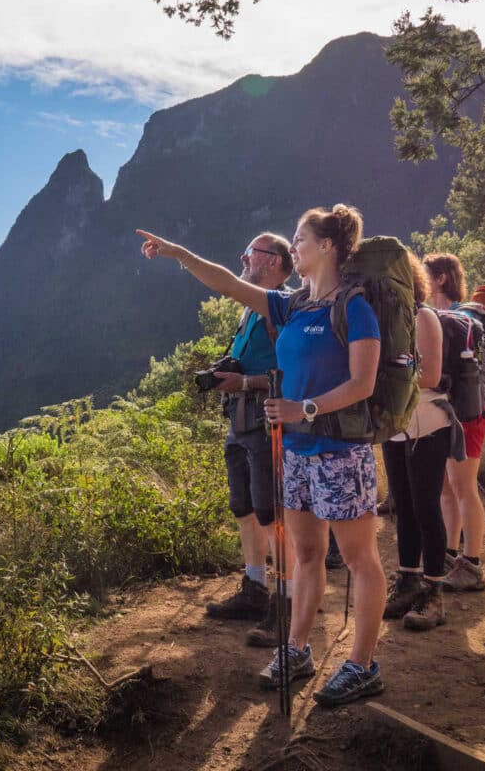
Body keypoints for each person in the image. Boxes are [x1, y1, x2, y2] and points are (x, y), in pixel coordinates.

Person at [137, 203, 387, 707]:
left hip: (340, 452)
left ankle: (362, 664)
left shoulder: (355, 306)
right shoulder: (291, 306)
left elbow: (364, 383)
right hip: (294, 451)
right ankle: (297, 649)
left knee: (360, 560)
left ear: (328, 246)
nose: (293, 247)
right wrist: (176, 252)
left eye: (300, 238)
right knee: (308, 554)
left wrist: (305, 407)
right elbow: (229, 283)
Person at [202, 233, 296, 650]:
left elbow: (292, 373)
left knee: (271, 512)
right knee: (243, 507)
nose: (244, 257)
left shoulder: (285, 308)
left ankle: (286, 602)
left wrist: (244, 381)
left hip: (268, 421)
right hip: (239, 419)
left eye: (251, 253)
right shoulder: (250, 309)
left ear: (275, 261)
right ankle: (254, 586)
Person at [381, 251, 462, 631]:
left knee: (427, 506)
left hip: (428, 423)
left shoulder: (423, 316)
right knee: (403, 505)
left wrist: (390, 367)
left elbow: (429, 376)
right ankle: (408, 579)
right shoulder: (387, 321)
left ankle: (434, 592)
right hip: (397, 426)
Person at [423, 253, 485, 592]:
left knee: (464, 488)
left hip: (466, 414)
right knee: (447, 488)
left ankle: (472, 563)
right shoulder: (444, 317)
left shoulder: (455, 319)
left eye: (426, 274)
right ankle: (450, 553)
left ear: (441, 279)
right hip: (452, 413)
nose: (422, 280)